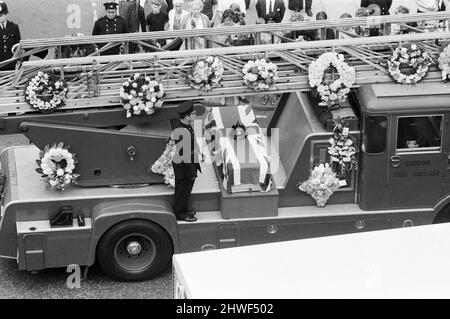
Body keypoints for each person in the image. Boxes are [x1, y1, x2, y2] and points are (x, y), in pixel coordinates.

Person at [171, 100, 205, 222]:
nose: (195, 115)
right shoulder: (182, 133)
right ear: (187, 116)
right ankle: (180, 213)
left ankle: (183, 209)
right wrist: (190, 171)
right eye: (193, 114)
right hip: (185, 166)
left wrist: (198, 151)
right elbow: (183, 155)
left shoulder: (185, 125)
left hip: (189, 162)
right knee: (183, 190)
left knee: (185, 190)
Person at [0, 2, 21, 71]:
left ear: (6, 14)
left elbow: (18, 47)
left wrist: (18, 63)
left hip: (11, 63)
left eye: (1, 15)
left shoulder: (14, 27)